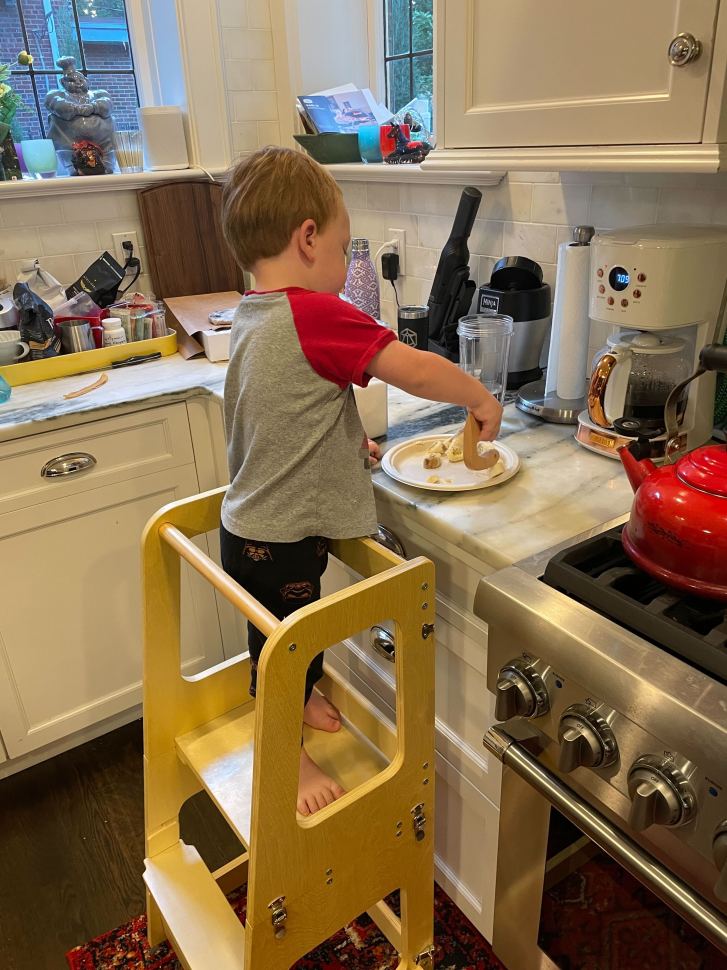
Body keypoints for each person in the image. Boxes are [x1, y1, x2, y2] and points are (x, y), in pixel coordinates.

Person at [220, 146, 502, 817]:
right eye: (346, 250)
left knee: (286, 637)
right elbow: (418, 371)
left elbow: (281, 415)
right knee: (285, 652)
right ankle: (283, 750)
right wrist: (480, 398)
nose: (349, 268)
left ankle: (303, 695)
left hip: (251, 528)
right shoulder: (316, 312)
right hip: (283, 534)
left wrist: (348, 444)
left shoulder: (251, 313)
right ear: (307, 238)